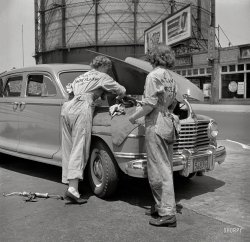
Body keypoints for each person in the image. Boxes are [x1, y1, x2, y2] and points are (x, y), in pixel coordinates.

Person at [61, 55, 126, 204]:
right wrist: (121, 96)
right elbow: (120, 89)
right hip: (81, 107)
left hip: (67, 108)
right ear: (103, 66)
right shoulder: (102, 76)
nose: (108, 71)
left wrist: (97, 93)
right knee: (80, 146)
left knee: (68, 147)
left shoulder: (80, 77)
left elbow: (71, 93)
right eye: (108, 69)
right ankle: (73, 189)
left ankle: (70, 182)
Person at [129, 44, 177, 227]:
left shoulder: (153, 76)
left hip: (155, 124)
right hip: (167, 121)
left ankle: (167, 213)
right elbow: (172, 104)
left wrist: (133, 118)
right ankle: (162, 206)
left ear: (153, 59)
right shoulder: (170, 77)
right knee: (166, 166)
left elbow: (149, 105)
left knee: (158, 168)